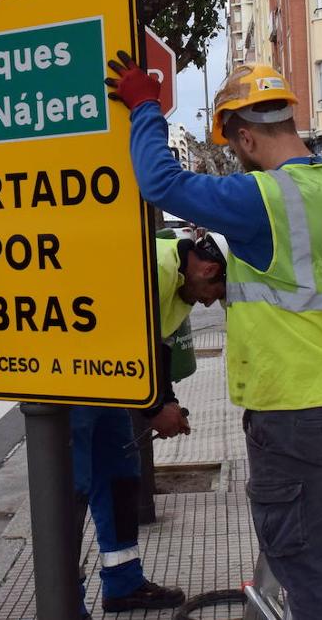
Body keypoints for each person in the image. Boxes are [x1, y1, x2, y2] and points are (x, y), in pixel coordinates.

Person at [105, 54, 322, 620]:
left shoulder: (261, 197)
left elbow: (161, 182)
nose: (237, 157)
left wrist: (143, 108)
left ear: (247, 138)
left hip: (294, 407)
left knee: (304, 562)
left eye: (235, 147)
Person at [71, 233, 226, 617]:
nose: (210, 301)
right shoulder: (154, 267)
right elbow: (124, 335)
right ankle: (64, 600)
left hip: (106, 384)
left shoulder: (181, 285)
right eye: (215, 292)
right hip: (72, 380)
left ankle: (123, 583)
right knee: (70, 491)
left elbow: (158, 347)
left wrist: (166, 401)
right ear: (207, 269)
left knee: (120, 477)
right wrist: (155, 406)